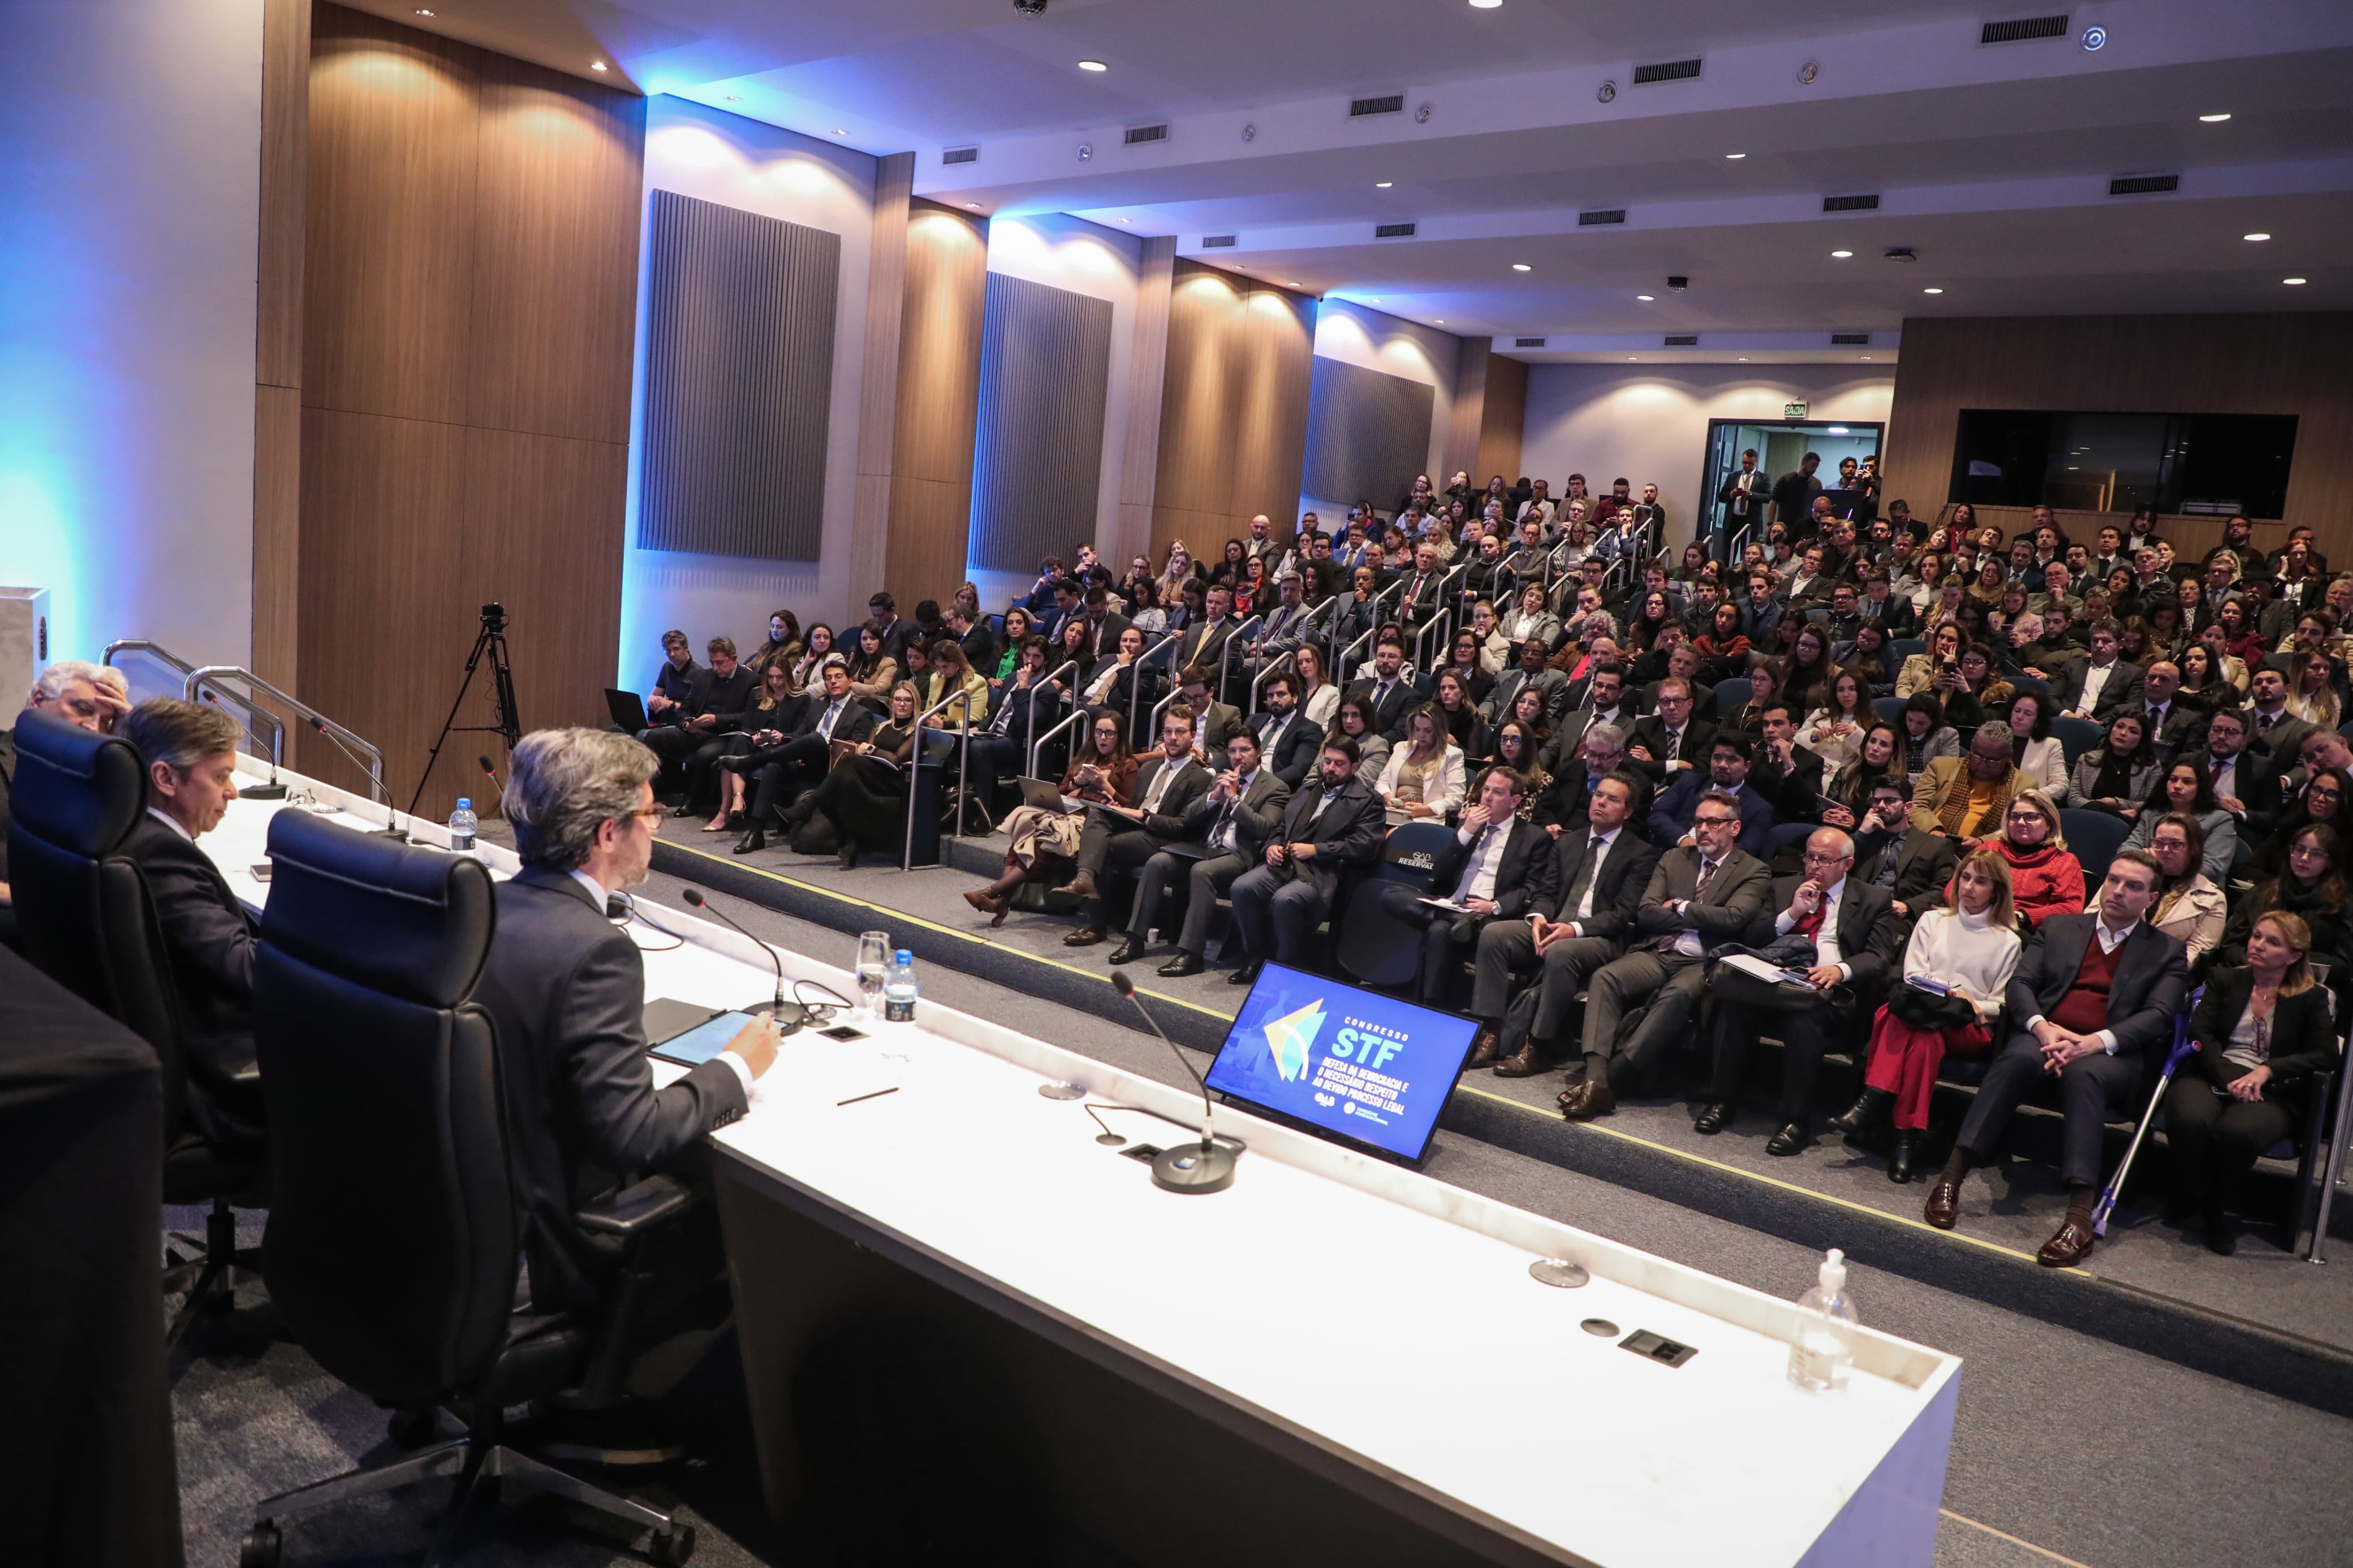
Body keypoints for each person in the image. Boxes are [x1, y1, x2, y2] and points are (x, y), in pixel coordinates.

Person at [476, 727, 777, 1314]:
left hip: (472, 1217)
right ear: (608, 833)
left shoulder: (483, 905)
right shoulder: (596, 951)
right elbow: (630, 1134)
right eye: (650, 813)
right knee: (755, 1237)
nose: (656, 827)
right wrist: (737, 1067)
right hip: (552, 1246)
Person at [1923, 851, 2188, 1267]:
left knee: (2085, 1076)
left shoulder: (2167, 951)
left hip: (2109, 1053)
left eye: (2133, 886)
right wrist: (2044, 1028)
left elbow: (2157, 1015)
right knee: (2014, 1059)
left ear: (2152, 897)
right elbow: (2022, 983)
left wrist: (2093, 1041)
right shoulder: (2062, 927)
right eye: (2114, 880)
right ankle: (1952, 1175)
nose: (2119, 891)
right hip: (2047, 1034)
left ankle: (2080, 1215)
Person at [1562, 791, 1773, 1117]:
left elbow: (1734, 920)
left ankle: (1609, 1079)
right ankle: (1596, 1079)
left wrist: (1679, 905)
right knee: (1606, 977)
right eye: (1699, 822)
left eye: (1713, 822)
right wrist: (1704, 915)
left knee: (1677, 995)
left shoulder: (1753, 870)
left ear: (1735, 828)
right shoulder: (1674, 859)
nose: (1703, 829)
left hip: (1702, 961)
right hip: (1658, 951)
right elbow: (1646, 912)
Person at [1697, 828, 1903, 1152]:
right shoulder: (1782, 887)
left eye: (1824, 859)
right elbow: (1752, 936)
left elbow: (1879, 958)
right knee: (1736, 1006)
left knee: (1805, 1022)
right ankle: (1721, 1100)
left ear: (1847, 864)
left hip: (1827, 993)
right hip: (1773, 983)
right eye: (1810, 857)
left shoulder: (1873, 899)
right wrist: (1792, 913)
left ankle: (1796, 1120)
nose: (1813, 866)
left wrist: (1838, 970)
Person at [118, 699, 264, 1146]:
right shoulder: (162, 855)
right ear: (165, 777)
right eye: (221, 776)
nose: (233, 791)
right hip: (220, 1078)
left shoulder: (123, 829)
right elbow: (247, 969)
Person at [2170, 913, 2342, 1255]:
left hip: (2274, 1091)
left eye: (2272, 942)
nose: (2258, 946)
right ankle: (2202, 1198)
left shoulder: (2311, 997)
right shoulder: (2224, 979)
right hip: (2214, 1073)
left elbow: (2325, 1055)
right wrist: (2229, 1075)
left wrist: (2268, 1071)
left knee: (2236, 1133)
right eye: (2257, 936)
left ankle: (2210, 1208)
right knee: (2189, 1118)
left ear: (2294, 956)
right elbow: (2200, 1033)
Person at [1470, 772, 1660, 1075]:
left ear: (1627, 812)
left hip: (1598, 938)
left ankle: (1539, 1046)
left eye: (1613, 799)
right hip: (1553, 925)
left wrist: (1574, 930)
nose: (1601, 802)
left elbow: (1623, 914)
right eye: (1599, 795)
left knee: (1562, 952)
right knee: (1495, 934)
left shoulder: (1640, 853)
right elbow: (1545, 892)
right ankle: (1492, 1033)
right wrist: (1539, 918)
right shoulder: (1567, 843)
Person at [1377, 767, 1557, 1007]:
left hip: (1488, 915)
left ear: (1515, 801)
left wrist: (1494, 906)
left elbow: (1531, 888)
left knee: (1439, 931)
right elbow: (1440, 872)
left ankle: (1430, 1008)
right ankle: (1456, 920)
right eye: (1487, 790)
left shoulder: (1534, 838)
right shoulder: (1469, 825)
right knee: (1389, 894)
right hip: (1455, 906)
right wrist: (1465, 834)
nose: (1488, 797)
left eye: (1498, 792)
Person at [1123, 729, 1291, 976]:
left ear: (1258, 753)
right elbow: (1189, 818)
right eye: (1233, 751)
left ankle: (1192, 954)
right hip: (1204, 848)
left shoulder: (1275, 787)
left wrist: (1235, 800)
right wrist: (1214, 797)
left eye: (1244, 750)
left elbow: (1265, 829)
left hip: (1238, 855)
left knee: (1202, 872)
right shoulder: (1219, 780)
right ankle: (1135, 939)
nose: (1238, 757)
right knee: (1158, 861)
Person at [1226, 737, 1387, 982]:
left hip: (1324, 873)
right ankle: (1255, 956)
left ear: (1355, 767)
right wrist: (1272, 846)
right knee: (1242, 887)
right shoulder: (1307, 789)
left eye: (1339, 764)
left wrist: (1317, 850)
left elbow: (1364, 846)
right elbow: (1281, 826)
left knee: (1285, 899)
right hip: (1286, 862)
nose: (1331, 768)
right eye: (1328, 761)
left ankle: (1284, 966)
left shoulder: (1368, 800)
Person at [963, 710, 1136, 926]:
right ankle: (1002, 901)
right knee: (1023, 834)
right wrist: (1078, 782)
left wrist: (1104, 785)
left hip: (1093, 820)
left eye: (1110, 734)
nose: (1102, 738)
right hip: (1065, 811)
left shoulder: (1128, 765)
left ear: (1120, 737)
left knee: (1041, 841)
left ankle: (993, 893)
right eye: (1099, 732)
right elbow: (1061, 790)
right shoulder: (1084, 758)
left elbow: (1130, 804)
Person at [1058, 706, 1211, 947]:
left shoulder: (1201, 777)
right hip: (1137, 826)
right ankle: (1085, 879)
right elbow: (1134, 805)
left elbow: (1185, 826)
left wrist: (1144, 815)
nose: (1173, 738)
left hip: (1163, 837)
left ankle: (1095, 921)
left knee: (1103, 847)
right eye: (1168, 731)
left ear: (1193, 735)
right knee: (1098, 815)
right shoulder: (1151, 768)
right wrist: (1117, 805)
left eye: (1180, 732)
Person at [1, 660, 132, 924]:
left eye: (107, 721)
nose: (93, 727)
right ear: (38, 700)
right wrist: (24, 899)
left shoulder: (99, 778)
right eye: (82, 709)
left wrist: (132, 729)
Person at [727, 658, 877, 853]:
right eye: (828, 678)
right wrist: (794, 748)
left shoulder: (861, 714)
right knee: (775, 767)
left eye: (838, 677)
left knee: (815, 739)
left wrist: (811, 746)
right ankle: (756, 832)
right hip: (804, 762)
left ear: (850, 681)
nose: (833, 681)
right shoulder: (817, 707)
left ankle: (753, 760)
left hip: (831, 770)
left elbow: (852, 751)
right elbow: (798, 736)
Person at [778, 681, 924, 870]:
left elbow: (895, 759)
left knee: (848, 763)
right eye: (898, 699)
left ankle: (809, 808)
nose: (902, 704)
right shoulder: (882, 726)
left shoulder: (917, 731)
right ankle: (849, 839)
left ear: (915, 704)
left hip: (893, 782)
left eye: (907, 700)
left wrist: (872, 749)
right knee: (844, 778)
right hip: (870, 779)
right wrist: (869, 751)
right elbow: (863, 752)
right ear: (892, 703)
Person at [2099, 811, 2226, 969]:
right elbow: (2092, 918)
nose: (2165, 850)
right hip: (2105, 958)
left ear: (2194, 849)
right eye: (2159, 843)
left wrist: (2149, 969)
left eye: (2176, 844)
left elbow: (2195, 953)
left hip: (2162, 972)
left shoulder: (2213, 898)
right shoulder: (2126, 876)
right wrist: (2143, 873)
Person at [705, 660, 804, 833]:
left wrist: (782, 737)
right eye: (771, 677)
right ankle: (737, 800)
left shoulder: (800, 698)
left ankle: (726, 811)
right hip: (757, 745)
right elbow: (747, 725)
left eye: (780, 677)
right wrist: (755, 736)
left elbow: (802, 733)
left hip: (782, 748)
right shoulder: (757, 695)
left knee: (734, 756)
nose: (775, 682)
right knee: (739, 741)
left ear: (788, 677)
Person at [1849, 777, 1962, 924]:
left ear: (1908, 807)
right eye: (1876, 801)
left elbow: (1944, 889)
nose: (1881, 806)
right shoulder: (1864, 839)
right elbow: (1836, 866)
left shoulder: (1935, 845)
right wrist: (1861, 834)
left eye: (1890, 801)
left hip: (1898, 919)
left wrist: (1908, 907)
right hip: (1857, 911)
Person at [1969, 788, 2085, 927]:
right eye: (2015, 816)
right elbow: (1952, 889)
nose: (2021, 823)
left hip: (2027, 930)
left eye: (2031, 817)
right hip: (1979, 919)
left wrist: (2025, 916)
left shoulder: (2064, 861)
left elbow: (2072, 908)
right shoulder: (1988, 850)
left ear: (2049, 823)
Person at [1650, 734, 1775, 858]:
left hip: (1714, 869)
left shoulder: (1759, 809)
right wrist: (1683, 840)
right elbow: (1657, 815)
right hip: (1667, 854)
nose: (1722, 765)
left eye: (1731, 760)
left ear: (1747, 766)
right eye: (1717, 758)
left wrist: (1699, 852)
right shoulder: (1690, 782)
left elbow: (1746, 849)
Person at [2119, 759, 2238, 884]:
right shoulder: (2150, 814)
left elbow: (2213, 868)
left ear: (2200, 787)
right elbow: (2127, 850)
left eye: (2187, 782)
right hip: (2149, 883)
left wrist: (2157, 863)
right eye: (2173, 780)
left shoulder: (2220, 820)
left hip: (2195, 888)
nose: (2177, 786)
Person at [1913, 722, 2026, 839]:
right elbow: (1918, 806)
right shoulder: (1941, 767)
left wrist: (1983, 842)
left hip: (1987, 852)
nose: (1983, 763)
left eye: (1992, 760)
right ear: (1972, 747)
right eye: (1978, 755)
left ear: (2008, 756)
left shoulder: (2023, 784)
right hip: (1931, 841)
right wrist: (1933, 831)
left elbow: (2018, 827)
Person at [1374, 705, 1467, 820]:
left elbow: (1456, 799)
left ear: (1439, 730)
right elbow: (1382, 781)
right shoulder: (1401, 748)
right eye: (1417, 729)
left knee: (1393, 834)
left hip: (1428, 816)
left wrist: (1424, 810)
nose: (1421, 736)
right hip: (1395, 812)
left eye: (1428, 731)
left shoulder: (1453, 755)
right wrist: (1389, 798)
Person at [2065, 710, 2160, 817]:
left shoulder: (2151, 767)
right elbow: (2073, 798)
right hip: (2088, 819)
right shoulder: (2087, 759)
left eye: (2133, 731)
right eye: (2119, 726)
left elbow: (2150, 805)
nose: (2123, 733)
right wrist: (2108, 811)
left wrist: (2116, 802)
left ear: (2142, 740)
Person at [2051, 620, 2144, 722]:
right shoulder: (2072, 666)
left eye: (2106, 641)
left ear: (2121, 644)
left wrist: (2101, 723)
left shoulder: (2133, 674)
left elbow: (2131, 708)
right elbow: (2052, 697)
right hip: (2065, 722)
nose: (2099, 645)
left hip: (2102, 731)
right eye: (2095, 640)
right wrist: (2066, 713)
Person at [1799, 668, 1873, 772]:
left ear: (1861, 692)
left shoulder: (1873, 722)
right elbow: (1795, 746)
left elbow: (1874, 758)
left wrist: (1856, 735)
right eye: (1841, 690)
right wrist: (1814, 737)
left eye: (1852, 689)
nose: (1846, 695)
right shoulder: (1820, 713)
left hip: (1841, 777)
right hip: (1811, 770)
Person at [2002, 690, 2068, 798]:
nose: (2020, 717)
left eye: (2028, 714)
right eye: (2017, 711)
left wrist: (2031, 796)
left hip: (2028, 804)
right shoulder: (1996, 739)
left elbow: (2061, 784)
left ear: (2038, 720)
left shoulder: (2051, 745)